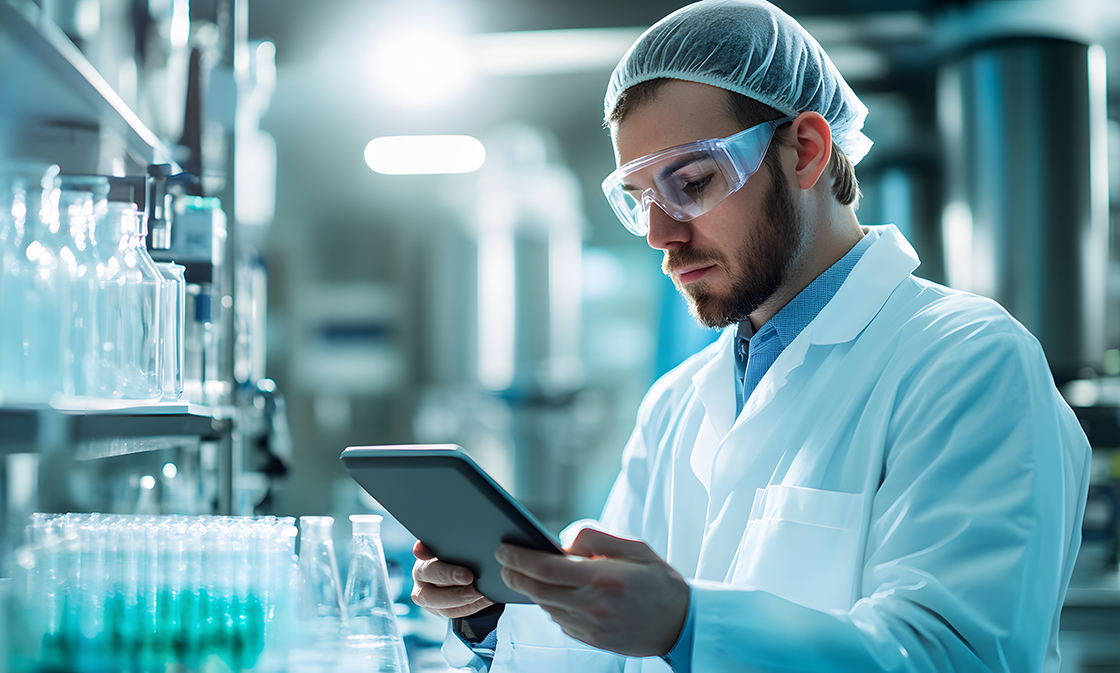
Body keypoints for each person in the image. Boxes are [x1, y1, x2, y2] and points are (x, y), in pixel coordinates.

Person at [412, 1, 1091, 671]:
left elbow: (957, 656)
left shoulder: (966, 362)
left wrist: (687, 625)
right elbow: (607, 647)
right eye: (641, 199)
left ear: (806, 151)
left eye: (691, 182)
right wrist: (497, 611)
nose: (660, 233)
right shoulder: (676, 403)